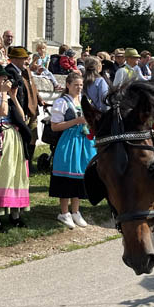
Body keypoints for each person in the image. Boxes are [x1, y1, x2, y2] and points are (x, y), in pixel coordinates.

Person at [0, 63, 30, 229]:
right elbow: (1, 112)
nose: (6, 81)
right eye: (3, 78)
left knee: (15, 174)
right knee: (0, 175)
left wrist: (13, 97)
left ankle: (15, 214)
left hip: (13, 137)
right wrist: (3, 94)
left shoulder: (4, 95)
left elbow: (21, 117)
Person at [50, 72, 95, 229]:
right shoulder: (62, 102)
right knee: (67, 175)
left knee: (80, 175)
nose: (79, 88)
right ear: (68, 85)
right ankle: (64, 212)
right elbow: (54, 126)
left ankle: (76, 211)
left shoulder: (84, 100)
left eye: (81, 85)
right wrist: (76, 121)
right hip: (68, 141)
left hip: (84, 141)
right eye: (76, 85)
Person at [5, 46, 43, 164]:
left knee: (31, 137)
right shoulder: (10, 71)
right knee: (23, 137)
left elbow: (32, 88)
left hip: (29, 109)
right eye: (24, 58)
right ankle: (23, 162)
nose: (27, 61)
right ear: (15, 59)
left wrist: (39, 99)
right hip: (19, 111)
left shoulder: (22, 71)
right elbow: (15, 94)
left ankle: (28, 162)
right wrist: (21, 111)